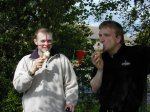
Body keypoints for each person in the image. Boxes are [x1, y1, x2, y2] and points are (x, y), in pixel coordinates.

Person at [13, 28, 78, 112]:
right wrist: (31, 71)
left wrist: (70, 102)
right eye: (43, 41)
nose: (46, 44)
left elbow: (71, 84)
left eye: (49, 41)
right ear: (36, 42)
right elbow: (19, 87)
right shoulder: (26, 60)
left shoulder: (62, 59)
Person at [90, 20, 150, 112]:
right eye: (100, 35)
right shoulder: (102, 58)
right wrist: (100, 70)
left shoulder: (137, 53)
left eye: (106, 35)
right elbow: (94, 89)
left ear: (118, 38)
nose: (101, 39)